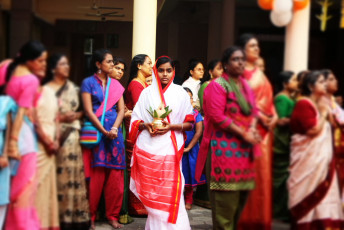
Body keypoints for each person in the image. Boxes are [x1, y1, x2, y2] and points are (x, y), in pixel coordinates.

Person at [195, 46, 261, 230]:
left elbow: (254, 111)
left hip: (245, 153)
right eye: (235, 59)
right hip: (223, 152)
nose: (241, 62)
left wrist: (254, 129)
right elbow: (217, 116)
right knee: (225, 207)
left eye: (243, 59)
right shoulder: (217, 85)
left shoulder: (245, 86)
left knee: (242, 207)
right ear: (225, 64)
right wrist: (243, 132)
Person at [129, 56, 195, 229]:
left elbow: (190, 124)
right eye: (161, 70)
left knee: (172, 192)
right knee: (153, 194)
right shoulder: (146, 93)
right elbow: (135, 120)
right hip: (149, 150)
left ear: (173, 71)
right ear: (155, 71)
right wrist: (147, 125)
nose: (165, 74)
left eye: (169, 70)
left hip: (170, 150)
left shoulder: (180, 93)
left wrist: (170, 126)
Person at [289, 71, 344, 229]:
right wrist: (325, 113)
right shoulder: (304, 103)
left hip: (323, 160)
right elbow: (312, 131)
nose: (325, 85)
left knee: (327, 198)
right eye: (321, 82)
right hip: (308, 162)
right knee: (311, 196)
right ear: (311, 86)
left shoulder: (321, 102)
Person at [3, 41, 47, 230]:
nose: (44, 64)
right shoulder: (30, 80)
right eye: (40, 60)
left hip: (2, 129)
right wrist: (13, 142)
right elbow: (22, 111)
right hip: (21, 137)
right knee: (24, 191)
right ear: (29, 60)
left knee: (8, 187)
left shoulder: (5, 67)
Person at [236, 33, 277, 230]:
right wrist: (258, 114)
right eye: (252, 46)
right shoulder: (239, 74)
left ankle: (260, 221)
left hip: (264, 135)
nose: (256, 49)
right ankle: (244, 221)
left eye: (257, 46)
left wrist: (272, 117)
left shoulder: (261, 76)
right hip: (245, 132)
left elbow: (269, 102)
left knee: (261, 176)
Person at [81, 49, 126, 229]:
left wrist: (114, 128)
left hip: (115, 134)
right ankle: (90, 216)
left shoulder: (115, 85)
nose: (112, 65)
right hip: (96, 134)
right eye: (108, 62)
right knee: (95, 178)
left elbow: (121, 109)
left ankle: (112, 215)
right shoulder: (88, 83)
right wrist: (103, 130)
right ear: (98, 64)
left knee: (116, 177)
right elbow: (88, 110)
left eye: (112, 62)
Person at [46, 54, 90, 230]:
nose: (66, 67)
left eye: (67, 64)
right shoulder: (46, 90)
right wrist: (61, 117)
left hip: (72, 136)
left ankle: (73, 217)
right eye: (62, 64)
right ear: (53, 68)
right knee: (57, 178)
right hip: (52, 137)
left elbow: (81, 111)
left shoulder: (73, 87)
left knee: (72, 176)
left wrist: (76, 115)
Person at [124, 54, 152, 216]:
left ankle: (140, 202)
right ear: (139, 66)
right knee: (134, 165)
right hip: (135, 130)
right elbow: (141, 110)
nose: (151, 66)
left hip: (140, 128)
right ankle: (134, 204)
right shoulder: (136, 85)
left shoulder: (142, 84)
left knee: (140, 165)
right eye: (148, 63)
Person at [34, 64, 60, 230]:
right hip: (38, 143)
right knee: (36, 184)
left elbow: (56, 118)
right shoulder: (32, 93)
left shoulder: (50, 93)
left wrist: (56, 140)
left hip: (52, 142)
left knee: (49, 187)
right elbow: (34, 120)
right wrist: (48, 141)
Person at [272, 71, 298, 222]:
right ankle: (277, 211)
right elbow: (280, 121)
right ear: (285, 83)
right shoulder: (282, 98)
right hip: (281, 141)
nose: (296, 83)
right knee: (280, 179)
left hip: (288, 140)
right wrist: (299, 119)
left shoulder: (290, 97)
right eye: (293, 80)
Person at [322, 69, 344, 204]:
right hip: (329, 147)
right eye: (331, 79)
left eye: (334, 79)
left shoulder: (333, 102)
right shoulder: (322, 102)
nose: (335, 81)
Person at [182, 87, 206, 210]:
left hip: (191, 149)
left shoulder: (196, 114)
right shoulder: (176, 113)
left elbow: (198, 132)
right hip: (178, 148)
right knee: (179, 173)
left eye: (189, 97)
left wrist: (189, 147)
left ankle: (189, 198)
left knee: (190, 173)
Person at [0, 86, 17, 229]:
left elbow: (9, 131)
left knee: (2, 196)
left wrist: (4, 154)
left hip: (1, 157)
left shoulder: (5, 102)